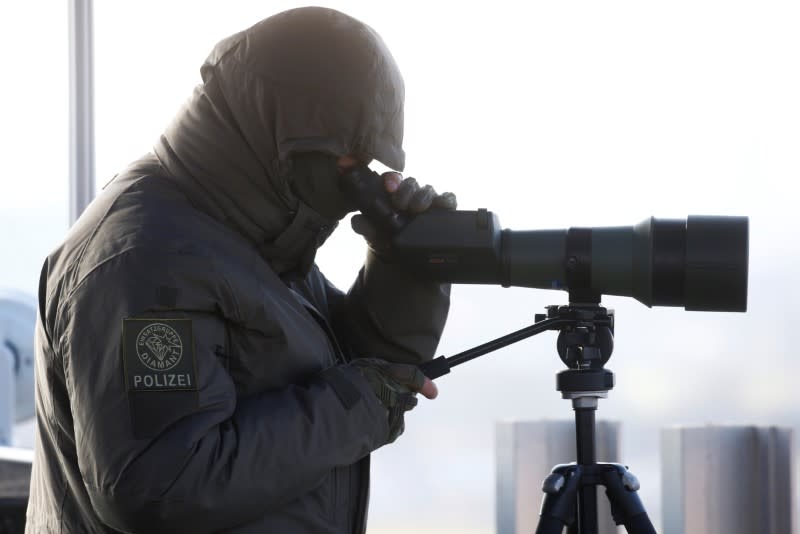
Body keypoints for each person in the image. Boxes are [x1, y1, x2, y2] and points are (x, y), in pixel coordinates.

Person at [26, 7, 456, 533]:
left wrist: (405, 266)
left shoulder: (250, 238)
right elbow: (161, 484)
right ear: (283, 133)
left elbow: (360, 370)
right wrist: (358, 406)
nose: (355, 182)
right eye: (349, 159)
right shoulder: (146, 260)